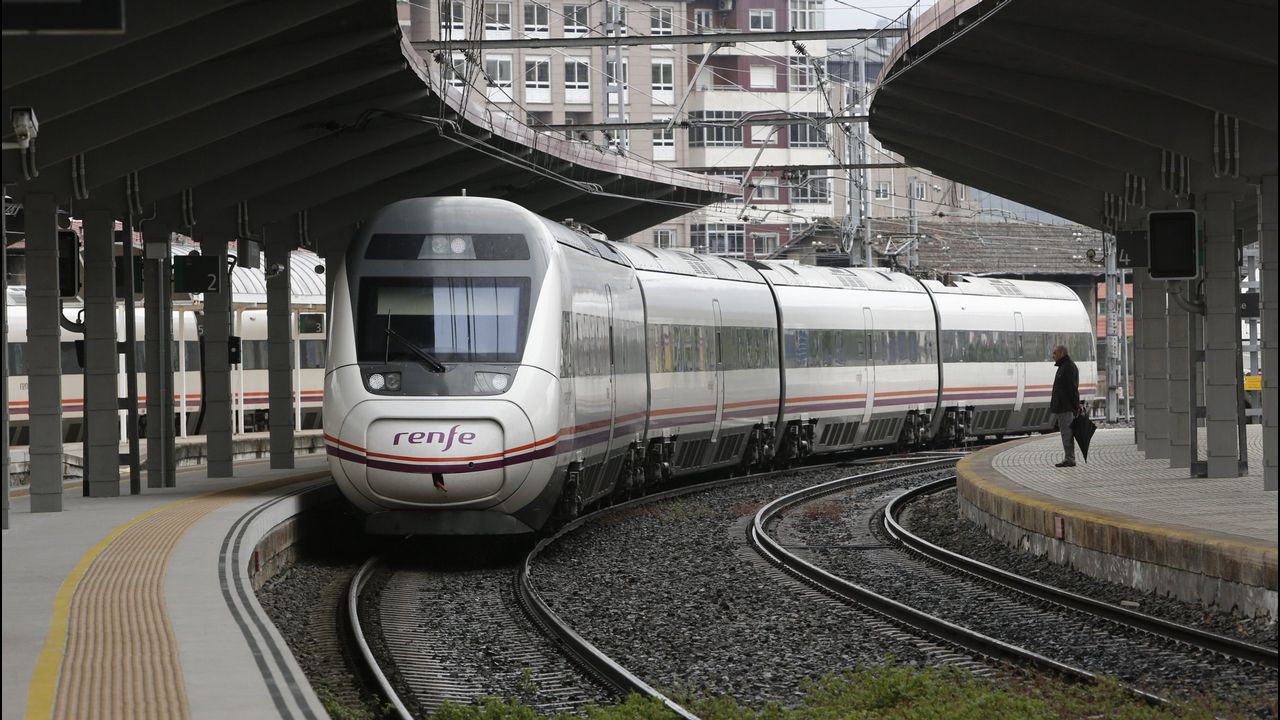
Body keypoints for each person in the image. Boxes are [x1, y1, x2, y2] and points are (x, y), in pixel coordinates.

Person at [1049, 344, 1080, 467]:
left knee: (1067, 433)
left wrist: (1075, 406)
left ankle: (1070, 459)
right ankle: (1069, 457)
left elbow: (1072, 389)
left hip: (1066, 407)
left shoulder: (1068, 368)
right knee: (1065, 433)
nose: (1053, 356)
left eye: (1055, 353)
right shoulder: (1063, 367)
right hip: (1062, 406)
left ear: (1062, 353)